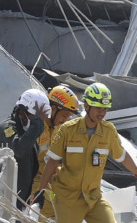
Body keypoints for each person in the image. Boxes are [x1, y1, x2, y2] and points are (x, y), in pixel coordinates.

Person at [31, 83, 137, 223]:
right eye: (98, 108)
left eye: (105, 109)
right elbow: (51, 161)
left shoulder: (108, 131)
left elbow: (122, 156)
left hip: (92, 197)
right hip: (66, 197)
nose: (102, 113)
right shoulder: (67, 130)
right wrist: (40, 191)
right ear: (87, 106)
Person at [0, 89, 49, 208]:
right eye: (35, 118)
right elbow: (19, 150)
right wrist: (36, 126)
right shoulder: (7, 128)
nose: (38, 123)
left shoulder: (27, 134)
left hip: (17, 203)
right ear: (21, 112)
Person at [31, 85, 80, 221]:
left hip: (48, 178)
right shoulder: (36, 127)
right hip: (33, 179)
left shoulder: (56, 129)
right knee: (48, 213)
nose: (64, 120)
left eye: (68, 117)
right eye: (64, 115)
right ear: (53, 109)